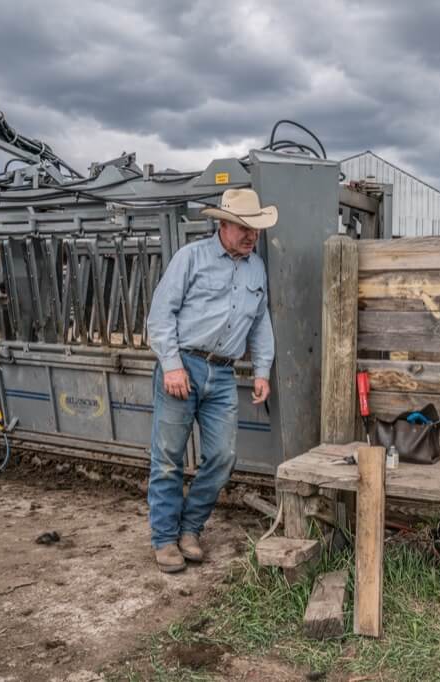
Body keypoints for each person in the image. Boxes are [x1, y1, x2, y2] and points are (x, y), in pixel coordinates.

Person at [145, 188, 277, 573]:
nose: (251, 235)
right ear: (223, 224)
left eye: (255, 228)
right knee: (168, 458)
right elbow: (160, 314)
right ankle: (165, 539)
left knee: (222, 457)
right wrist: (171, 365)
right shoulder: (192, 258)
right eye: (243, 227)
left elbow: (260, 322)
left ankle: (190, 529)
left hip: (222, 373)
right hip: (183, 364)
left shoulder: (256, 268)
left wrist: (262, 370)